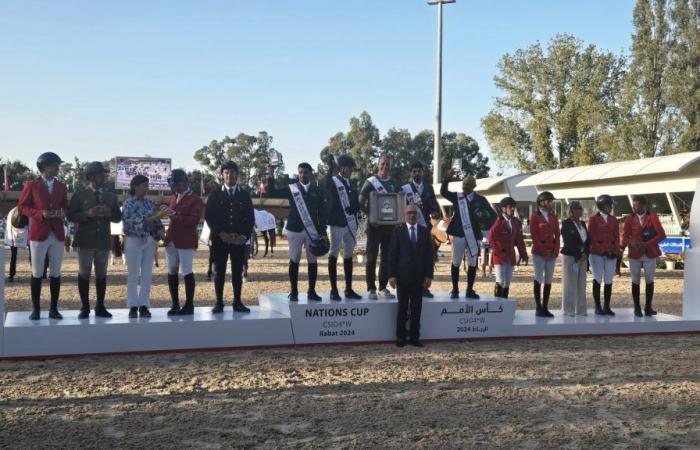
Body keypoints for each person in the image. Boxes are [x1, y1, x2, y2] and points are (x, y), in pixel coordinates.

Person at [67, 161, 122, 319]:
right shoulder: (79, 194)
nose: (103, 176)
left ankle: (100, 306)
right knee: (84, 273)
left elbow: (118, 217)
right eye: (100, 174)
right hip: (85, 240)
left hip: (103, 240)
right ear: (91, 176)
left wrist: (109, 213)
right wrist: (87, 214)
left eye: (104, 174)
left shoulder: (111, 196)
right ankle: (85, 307)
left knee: (101, 274)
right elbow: (70, 215)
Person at [18, 152, 69, 320]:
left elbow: (65, 207)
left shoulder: (62, 186)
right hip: (39, 232)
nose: (57, 167)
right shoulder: (31, 185)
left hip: (57, 233)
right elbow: (22, 208)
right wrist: (40, 214)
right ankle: (36, 309)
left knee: (56, 272)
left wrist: (63, 213)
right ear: (45, 166)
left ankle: (54, 309)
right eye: (55, 164)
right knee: (37, 271)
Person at [267, 162, 328, 301]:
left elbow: (322, 212)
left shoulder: (317, 190)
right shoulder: (291, 188)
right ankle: (294, 291)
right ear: (298, 173)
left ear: (310, 173)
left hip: (312, 230)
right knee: (294, 260)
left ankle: (311, 291)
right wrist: (270, 174)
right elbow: (272, 192)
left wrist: (323, 231)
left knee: (312, 261)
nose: (302, 175)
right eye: (300, 172)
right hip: (294, 229)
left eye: (305, 172)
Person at [206, 160, 255, 313]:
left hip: (239, 240)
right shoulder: (215, 193)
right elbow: (209, 216)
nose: (230, 175)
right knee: (219, 272)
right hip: (220, 240)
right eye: (226, 172)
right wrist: (221, 234)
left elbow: (250, 218)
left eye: (233, 172)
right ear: (222, 175)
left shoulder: (244, 194)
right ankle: (219, 302)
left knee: (237, 272)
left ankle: (237, 302)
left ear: (237, 175)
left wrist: (244, 236)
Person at [440, 168, 497, 299]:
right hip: (459, 234)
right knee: (456, 261)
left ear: (474, 186)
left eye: (468, 184)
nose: (465, 186)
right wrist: (446, 179)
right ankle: (454, 289)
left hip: (474, 235)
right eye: (464, 183)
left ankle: (469, 290)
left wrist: (484, 225)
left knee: (472, 263)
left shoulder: (481, 200)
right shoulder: (457, 197)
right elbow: (443, 192)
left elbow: (493, 216)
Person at [122, 175, 170, 318]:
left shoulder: (149, 204)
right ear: (135, 186)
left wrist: (162, 233)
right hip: (133, 241)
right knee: (133, 274)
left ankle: (143, 305)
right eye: (143, 185)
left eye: (147, 185)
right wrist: (157, 217)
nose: (146, 188)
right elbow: (133, 223)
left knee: (147, 274)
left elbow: (157, 223)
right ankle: (132, 306)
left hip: (149, 241)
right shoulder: (128, 203)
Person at [388, 204, 434, 348]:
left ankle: (414, 337)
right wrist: (391, 275)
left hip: (419, 277)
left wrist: (429, 276)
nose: (412, 215)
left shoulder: (425, 231)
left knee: (416, 308)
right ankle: (401, 337)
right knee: (402, 308)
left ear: (418, 215)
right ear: (405, 215)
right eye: (409, 213)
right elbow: (392, 255)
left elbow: (429, 256)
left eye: (414, 213)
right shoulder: (397, 231)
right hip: (402, 276)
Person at [359, 155, 401, 300]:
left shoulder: (395, 183)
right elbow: (360, 200)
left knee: (386, 258)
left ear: (391, 166)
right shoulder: (370, 182)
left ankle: (383, 287)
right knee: (371, 258)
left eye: (388, 164)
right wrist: (370, 215)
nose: (385, 166)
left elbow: (401, 200)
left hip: (389, 227)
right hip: (374, 226)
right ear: (378, 164)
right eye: (383, 164)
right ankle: (371, 288)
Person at [163, 169, 203, 316]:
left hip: (186, 239)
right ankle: (175, 304)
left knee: (186, 270)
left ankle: (189, 304)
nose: (175, 188)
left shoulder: (196, 199)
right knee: (172, 270)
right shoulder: (173, 198)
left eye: (178, 184)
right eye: (173, 185)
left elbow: (193, 221)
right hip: (171, 239)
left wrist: (176, 216)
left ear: (185, 182)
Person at [325, 154, 362, 300]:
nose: (351, 170)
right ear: (342, 168)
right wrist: (329, 169)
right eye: (349, 167)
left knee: (348, 255)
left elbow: (356, 200)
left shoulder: (352, 183)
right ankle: (334, 289)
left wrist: (355, 208)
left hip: (350, 222)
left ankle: (348, 289)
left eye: (352, 168)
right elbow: (326, 186)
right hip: (337, 222)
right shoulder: (334, 181)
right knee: (334, 253)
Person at [622, 195, 666, 317]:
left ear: (643, 205)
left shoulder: (652, 216)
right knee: (635, 280)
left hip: (649, 252)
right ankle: (637, 307)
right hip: (635, 253)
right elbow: (625, 237)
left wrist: (647, 244)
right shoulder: (629, 218)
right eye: (633, 205)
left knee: (649, 280)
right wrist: (632, 243)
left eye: (636, 205)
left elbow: (662, 235)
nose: (634, 207)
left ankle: (648, 307)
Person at [402, 161, 441, 298]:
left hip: (425, 228)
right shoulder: (405, 189)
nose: (417, 173)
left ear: (423, 172)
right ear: (411, 173)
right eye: (414, 171)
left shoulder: (429, 187)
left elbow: (433, 204)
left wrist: (435, 212)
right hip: (410, 228)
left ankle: (424, 287)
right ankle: (410, 286)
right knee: (410, 258)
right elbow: (402, 207)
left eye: (419, 171)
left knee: (426, 258)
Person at [488, 197, 528, 299]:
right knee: (500, 281)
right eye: (510, 207)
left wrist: (523, 254)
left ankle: (504, 306)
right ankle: (497, 306)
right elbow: (491, 239)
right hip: (500, 257)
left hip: (510, 256)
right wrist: (499, 252)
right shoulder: (498, 223)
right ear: (503, 209)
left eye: (513, 207)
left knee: (507, 282)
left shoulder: (515, 223)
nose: (513, 209)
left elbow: (519, 240)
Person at [529, 191, 560, 317]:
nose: (551, 203)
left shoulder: (553, 217)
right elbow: (534, 236)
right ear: (541, 202)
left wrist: (555, 250)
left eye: (551, 201)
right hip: (539, 252)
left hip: (551, 252)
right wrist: (543, 251)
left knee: (548, 279)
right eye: (549, 201)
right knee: (538, 277)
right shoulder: (535, 217)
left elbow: (557, 235)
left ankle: (545, 306)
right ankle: (538, 307)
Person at [588, 195, 620, 316]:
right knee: (597, 278)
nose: (610, 207)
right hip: (597, 253)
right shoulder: (593, 219)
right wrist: (602, 251)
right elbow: (592, 237)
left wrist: (616, 252)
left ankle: (607, 306)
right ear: (602, 206)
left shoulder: (613, 220)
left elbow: (616, 237)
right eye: (608, 205)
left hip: (611, 253)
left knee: (608, 280)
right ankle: (597, 306)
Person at [560, 201, 590, 316]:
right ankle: (568, 309)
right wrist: (578, 254)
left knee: (582, 283)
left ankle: (581, 309)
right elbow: (568, 241)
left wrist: (585, 253)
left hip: (583, 257)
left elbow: (587, 240)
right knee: (569, 283)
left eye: (580, 209)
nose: (579, 211)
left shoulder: (582, 224)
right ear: (571, 211)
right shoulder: (566, 224)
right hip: (570, 256)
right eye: (576, 209)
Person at [4, 206, 30, 283]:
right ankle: (11, 273)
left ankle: (11, 274)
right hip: (14, 230)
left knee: (14, 255)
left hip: (19, 229)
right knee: (14, 255)